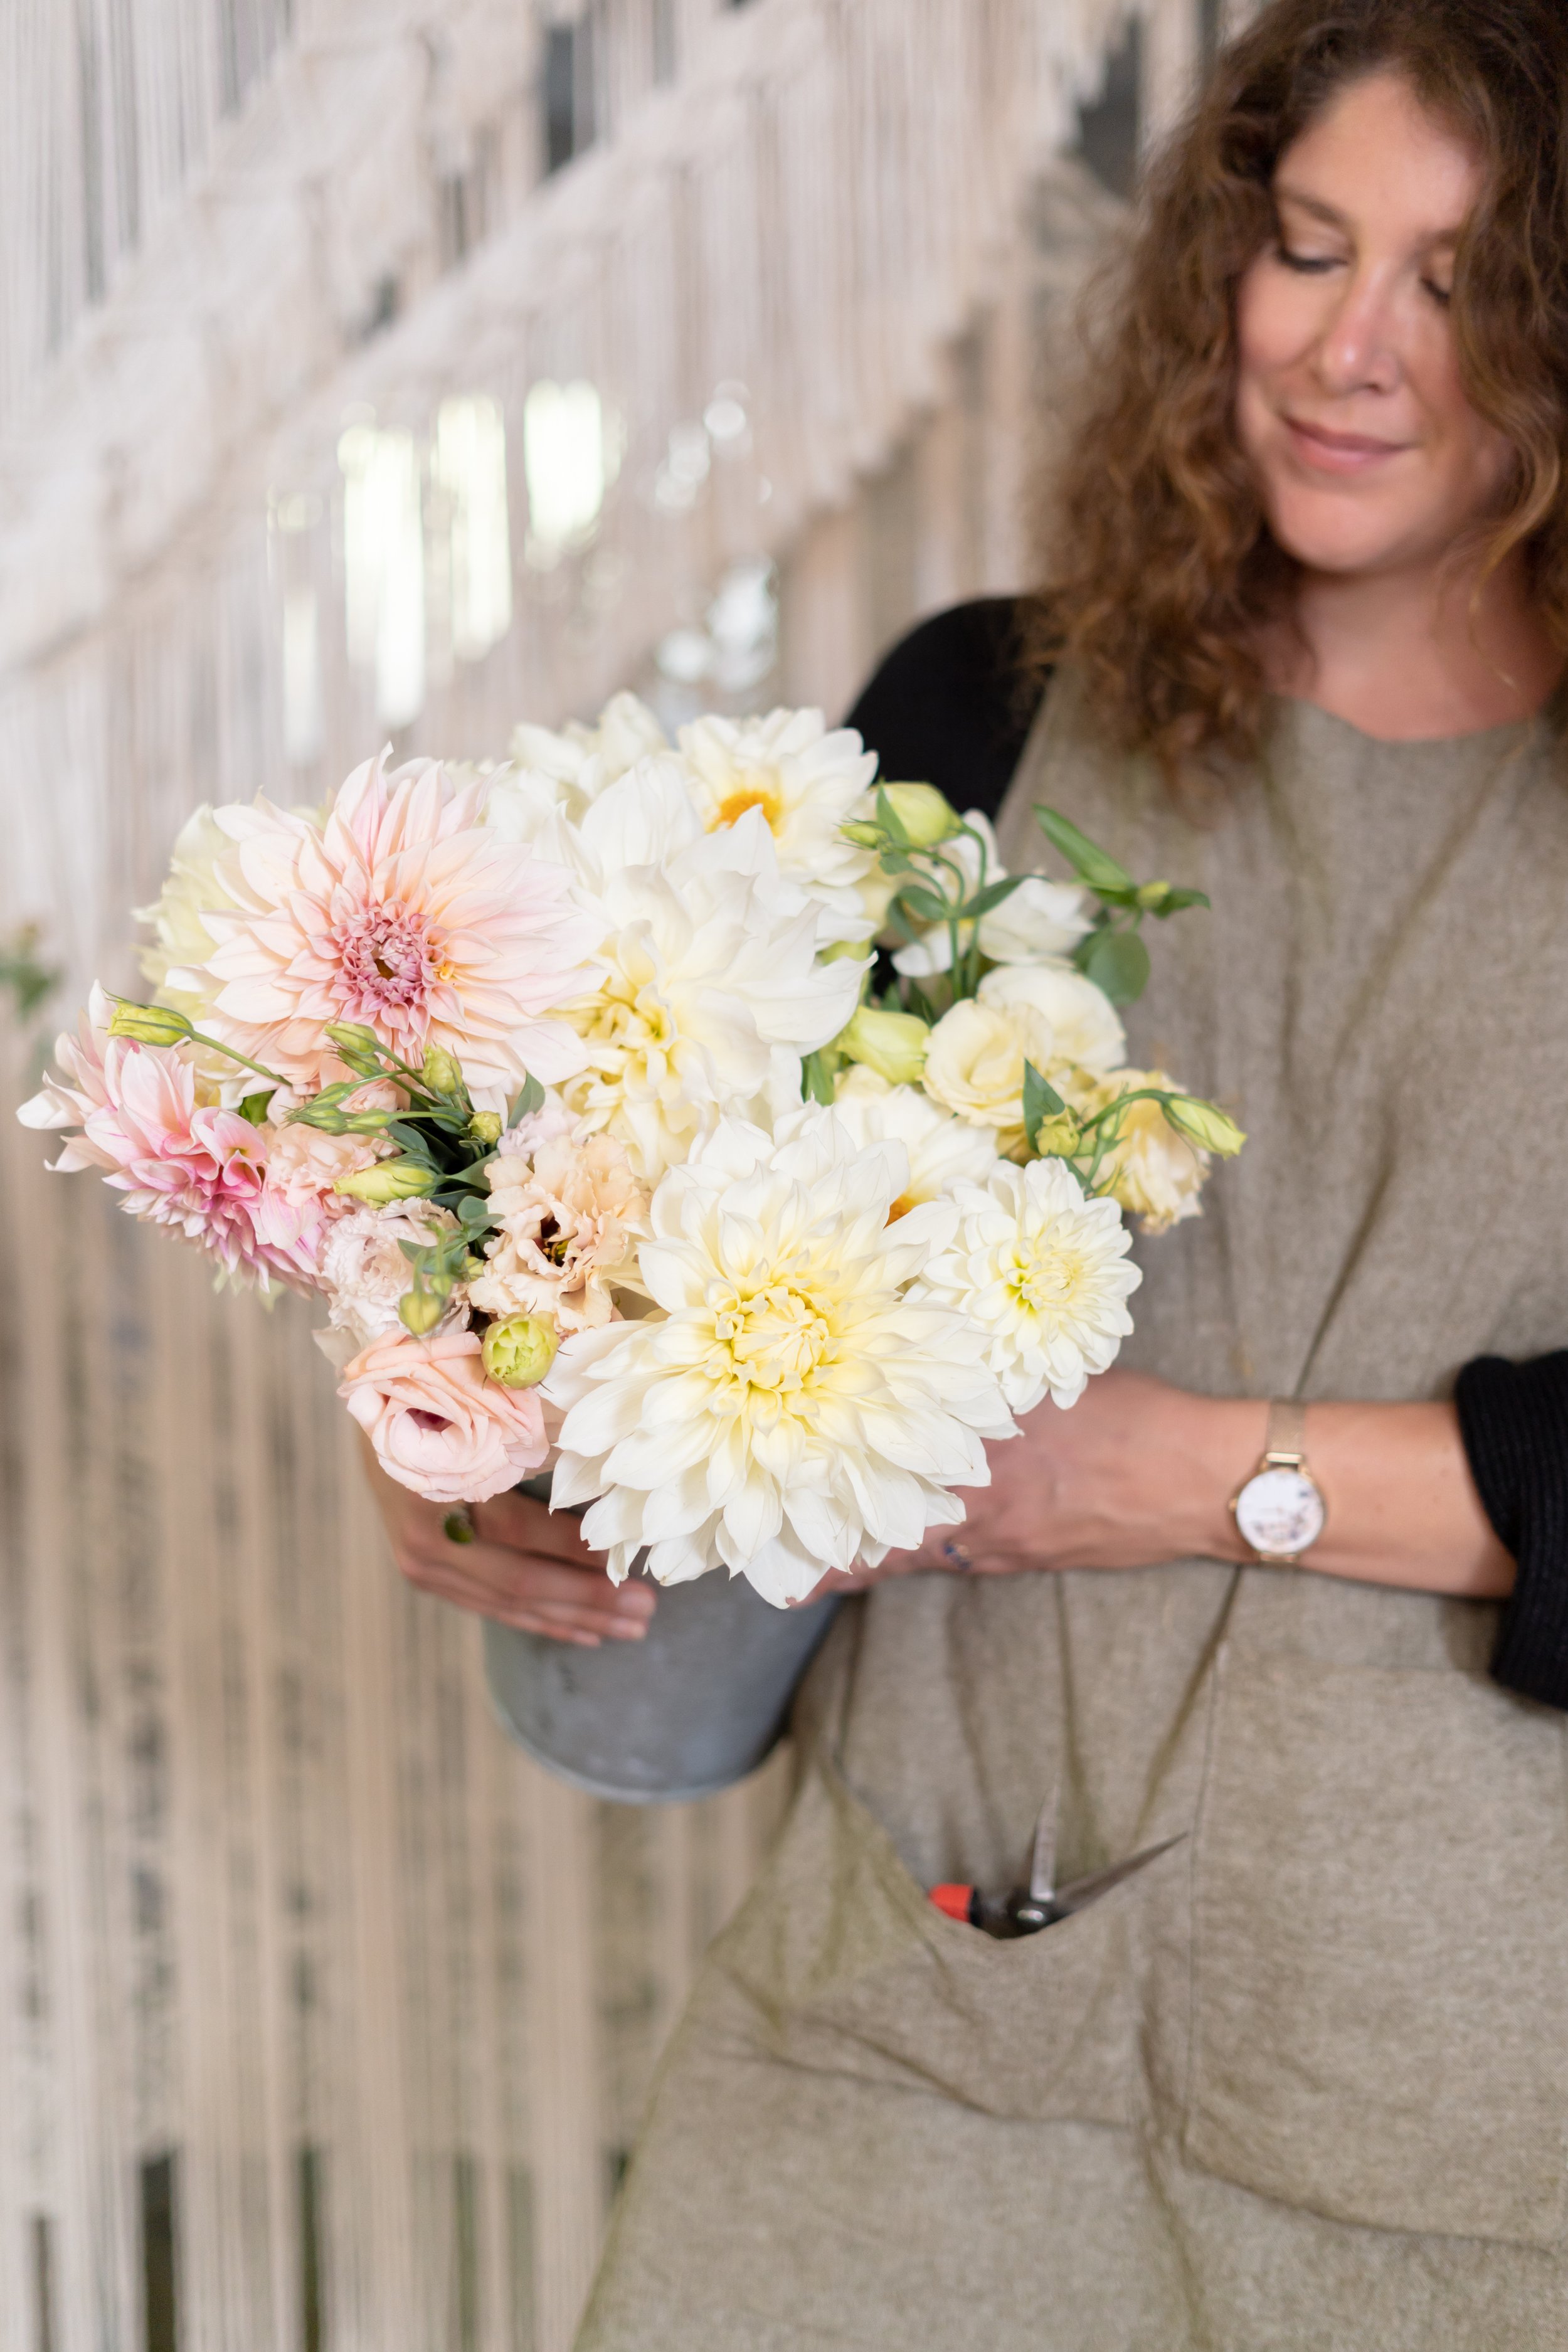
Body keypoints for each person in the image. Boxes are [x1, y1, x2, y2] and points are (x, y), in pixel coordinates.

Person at [365, 2, 1568, 2339]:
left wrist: (1171, 1476)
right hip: (897, 2057)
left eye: (1454, 278)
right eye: (1304, 247)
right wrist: (477, 1417)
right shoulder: (976, 711)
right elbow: (671, 1213)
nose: (1345, 349)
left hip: (1461, 2140)